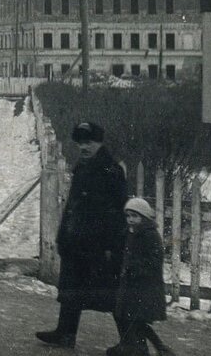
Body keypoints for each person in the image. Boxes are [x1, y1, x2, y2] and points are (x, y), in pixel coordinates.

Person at [36, 121, 128, 349]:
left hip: (99, 245)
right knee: (70, 289)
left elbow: (118, 212)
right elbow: (72, 206)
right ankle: (65, 334)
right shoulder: (83, 166)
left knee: (111, 294)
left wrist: (111, 246)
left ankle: (131, 342)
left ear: (100, 142)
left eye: (89, 142)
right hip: (77, 241)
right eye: (81, 143)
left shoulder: (111, 170)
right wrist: (63, 235)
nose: (84, 147)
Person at [109, 197, 175, 356]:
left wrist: (135, 268)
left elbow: (153, 261)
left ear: (144, 217)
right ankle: (133, 346)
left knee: (136, 320)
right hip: (131, 285)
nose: (130, 220)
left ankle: (148, 348)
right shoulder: (130, 232)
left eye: (135, 216)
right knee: (126, 316)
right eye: (128, 216)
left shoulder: (150, 235)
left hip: (145, 287)